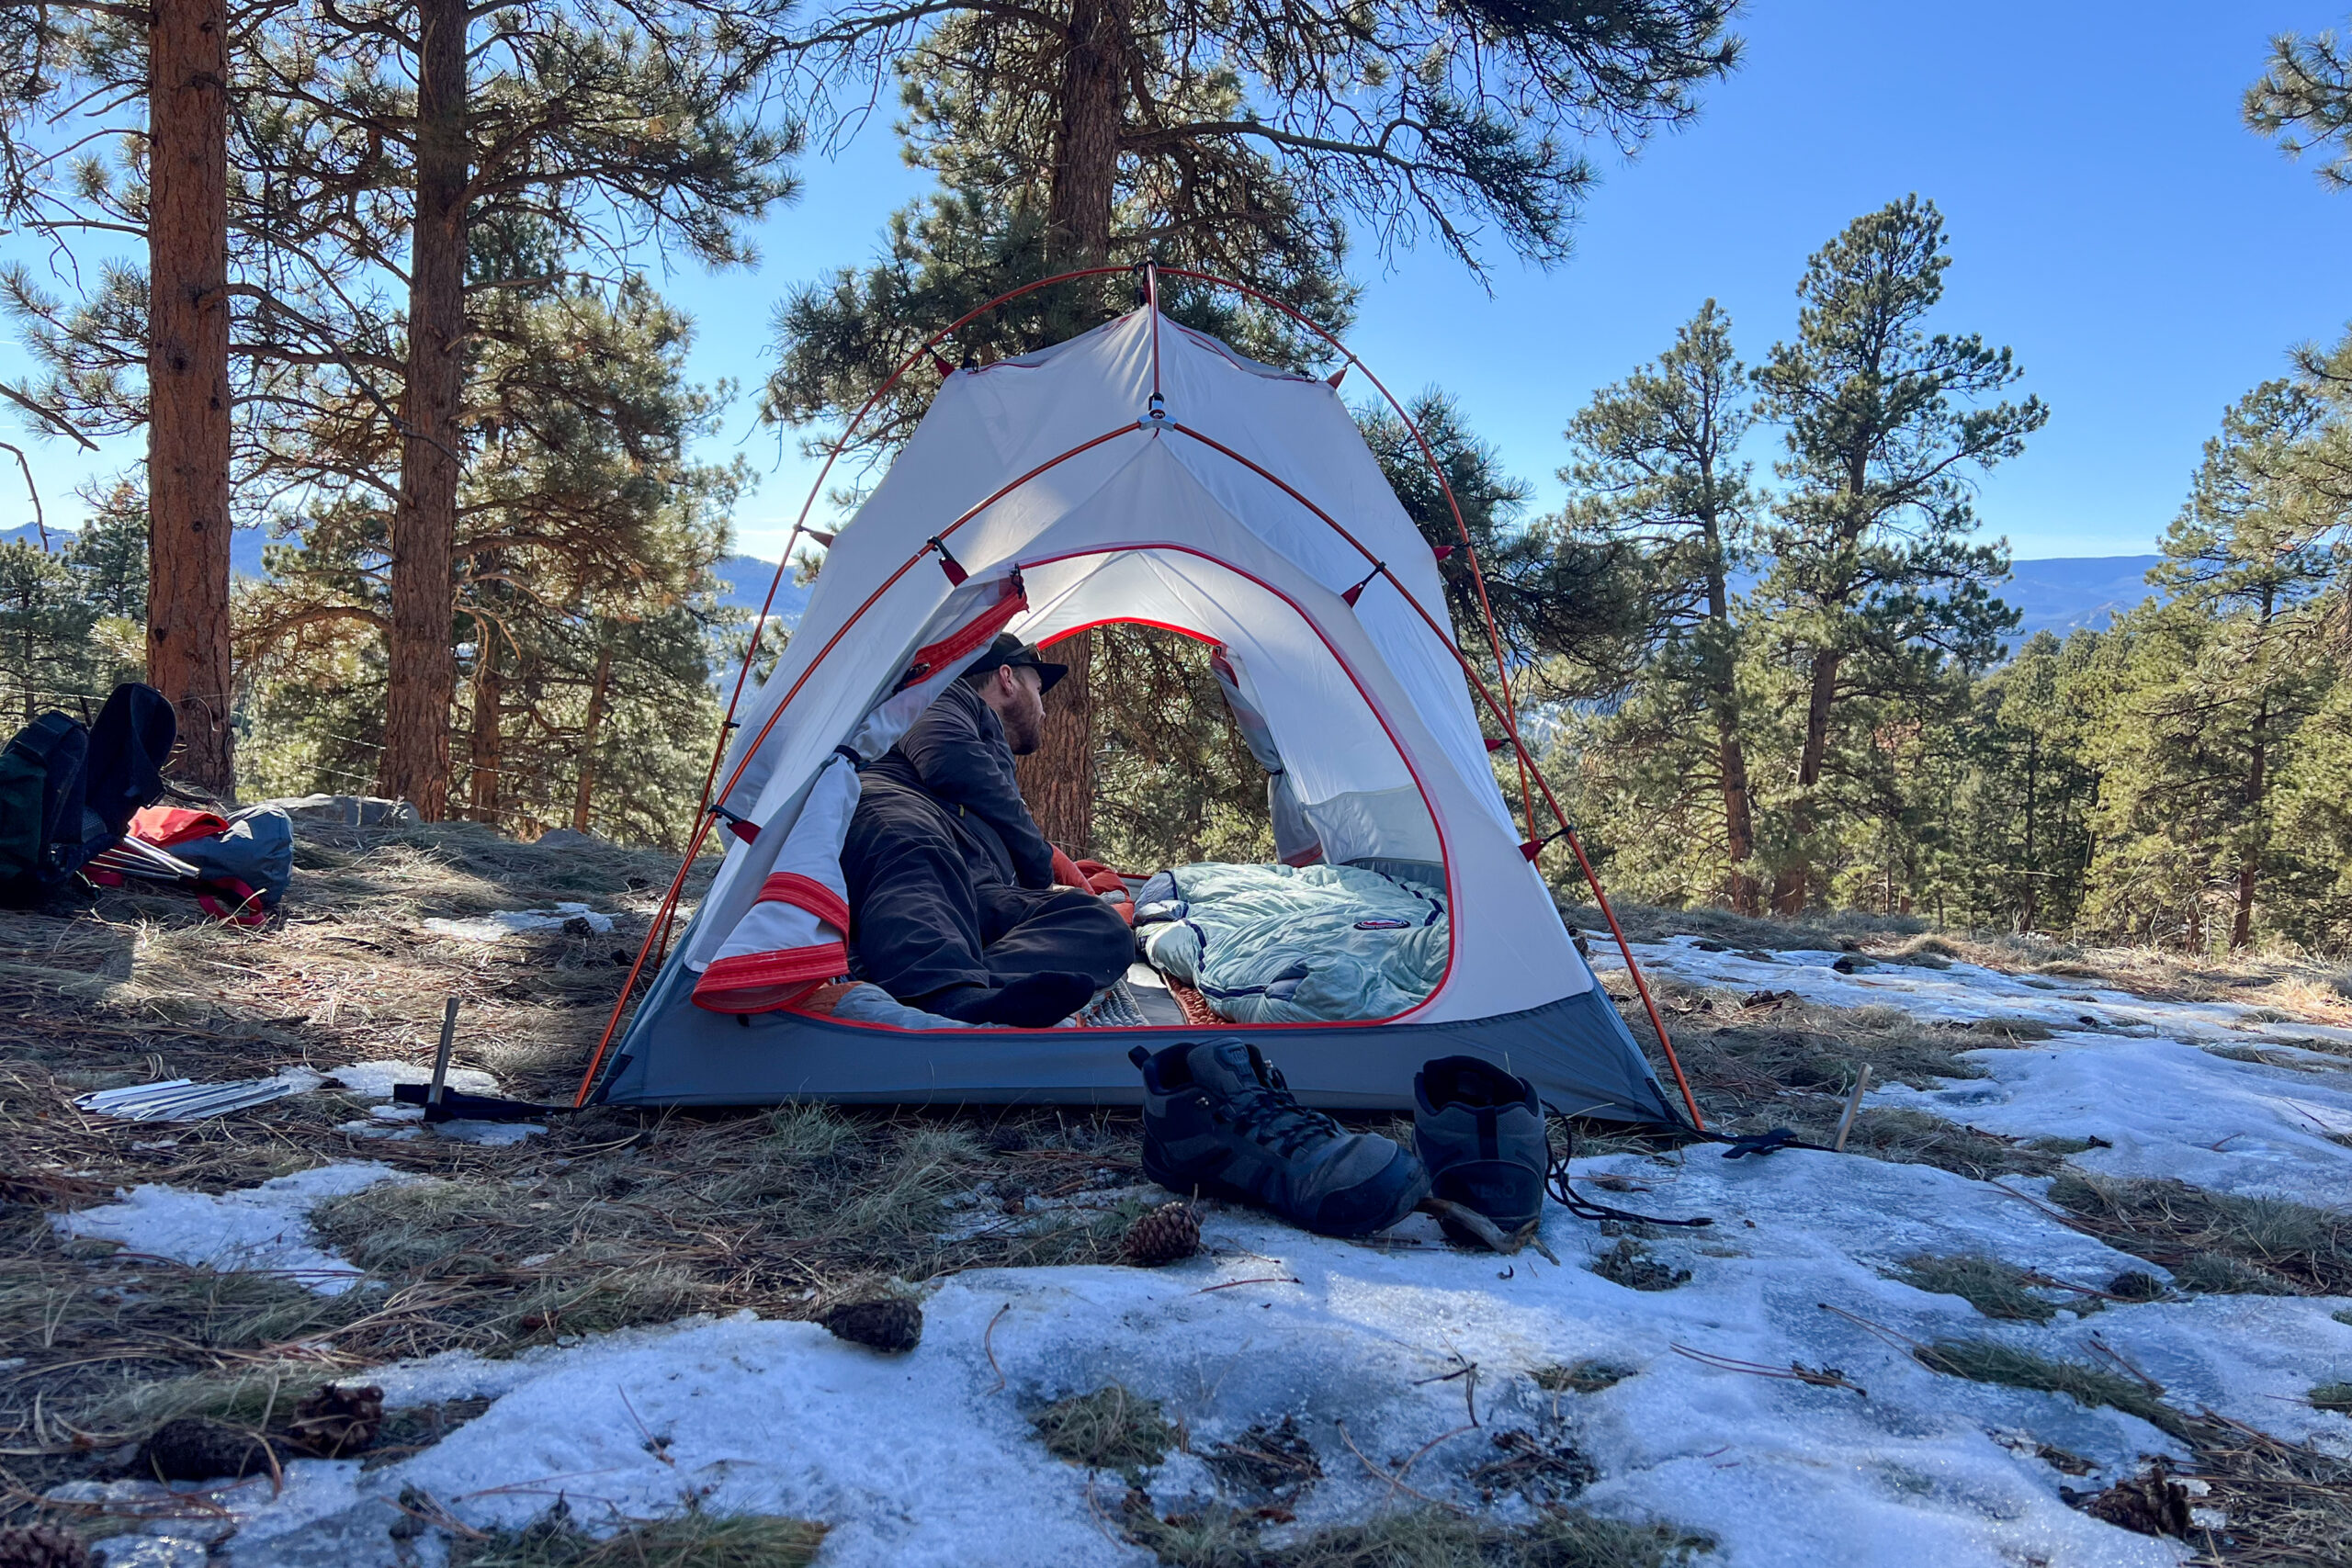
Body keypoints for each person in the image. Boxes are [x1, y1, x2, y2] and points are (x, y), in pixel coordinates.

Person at [840, 634, 1135, 1026]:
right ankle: (941, 991)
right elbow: (945, 759)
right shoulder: (944, 696)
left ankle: (966, 991)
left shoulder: (990, 758)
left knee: (1100, 924)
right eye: (1039, 689)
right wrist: (1036, 862)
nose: (1045, 711)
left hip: (972, 888)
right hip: (900, 828)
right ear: (1007, 678)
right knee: (918, 848)